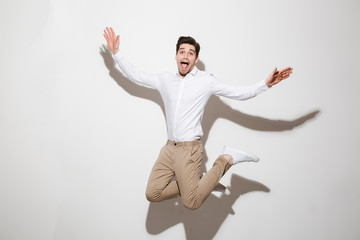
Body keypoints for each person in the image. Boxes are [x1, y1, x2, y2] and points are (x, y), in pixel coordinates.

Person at [103, 27, 293, 210]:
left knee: (191, 203)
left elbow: (237, 93)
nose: (185, 56)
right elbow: (136, 75)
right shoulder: (165, 80)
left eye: (190, 53)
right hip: (169, 149)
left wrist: (265, 84)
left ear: (196, 58)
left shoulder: (206, 81)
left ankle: (227, 159)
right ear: (176, 55)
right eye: (182, 52)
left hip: (189, 150)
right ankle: (203, 182)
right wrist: (116, 53)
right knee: (153, 193)